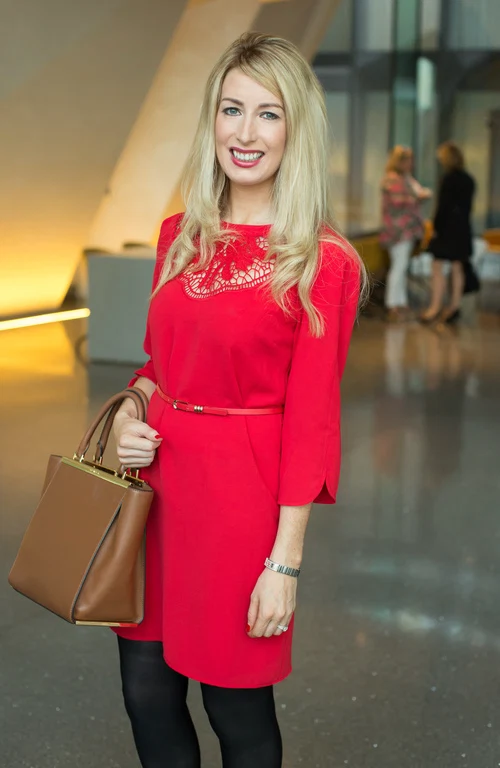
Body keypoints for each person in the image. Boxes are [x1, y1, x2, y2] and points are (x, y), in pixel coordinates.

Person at [112, 32, 365, 768]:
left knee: (235, 705)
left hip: (240, 506)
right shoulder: (178, 235)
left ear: (295, 130)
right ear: (212, 120)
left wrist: (283, 566)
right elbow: (155, 366)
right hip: (156, 493)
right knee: (146, 690)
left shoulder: (322, 262)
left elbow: (313, 423)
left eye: (268, 113)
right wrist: (130, 411)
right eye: (232, 109)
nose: (246, 133)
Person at [420, 141, 476, 324]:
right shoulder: (469, 180)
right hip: (462, 230)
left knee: (437, 267)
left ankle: (434, 307)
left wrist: (435, 228)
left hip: (446, 231)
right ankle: (454, 306)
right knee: (457, 268)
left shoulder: (448, 179)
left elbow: (443, 208)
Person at [380, 146, 432, 322]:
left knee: (401, 267)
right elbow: (398, 201)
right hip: (397, 231)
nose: (411, 164)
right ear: (400, 161)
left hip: (406, 231)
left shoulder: (406, 179)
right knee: (398, 267)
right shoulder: (392, 180)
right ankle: (392, 303)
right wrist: (417, 198)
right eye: (408, 160)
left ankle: (400, 301)